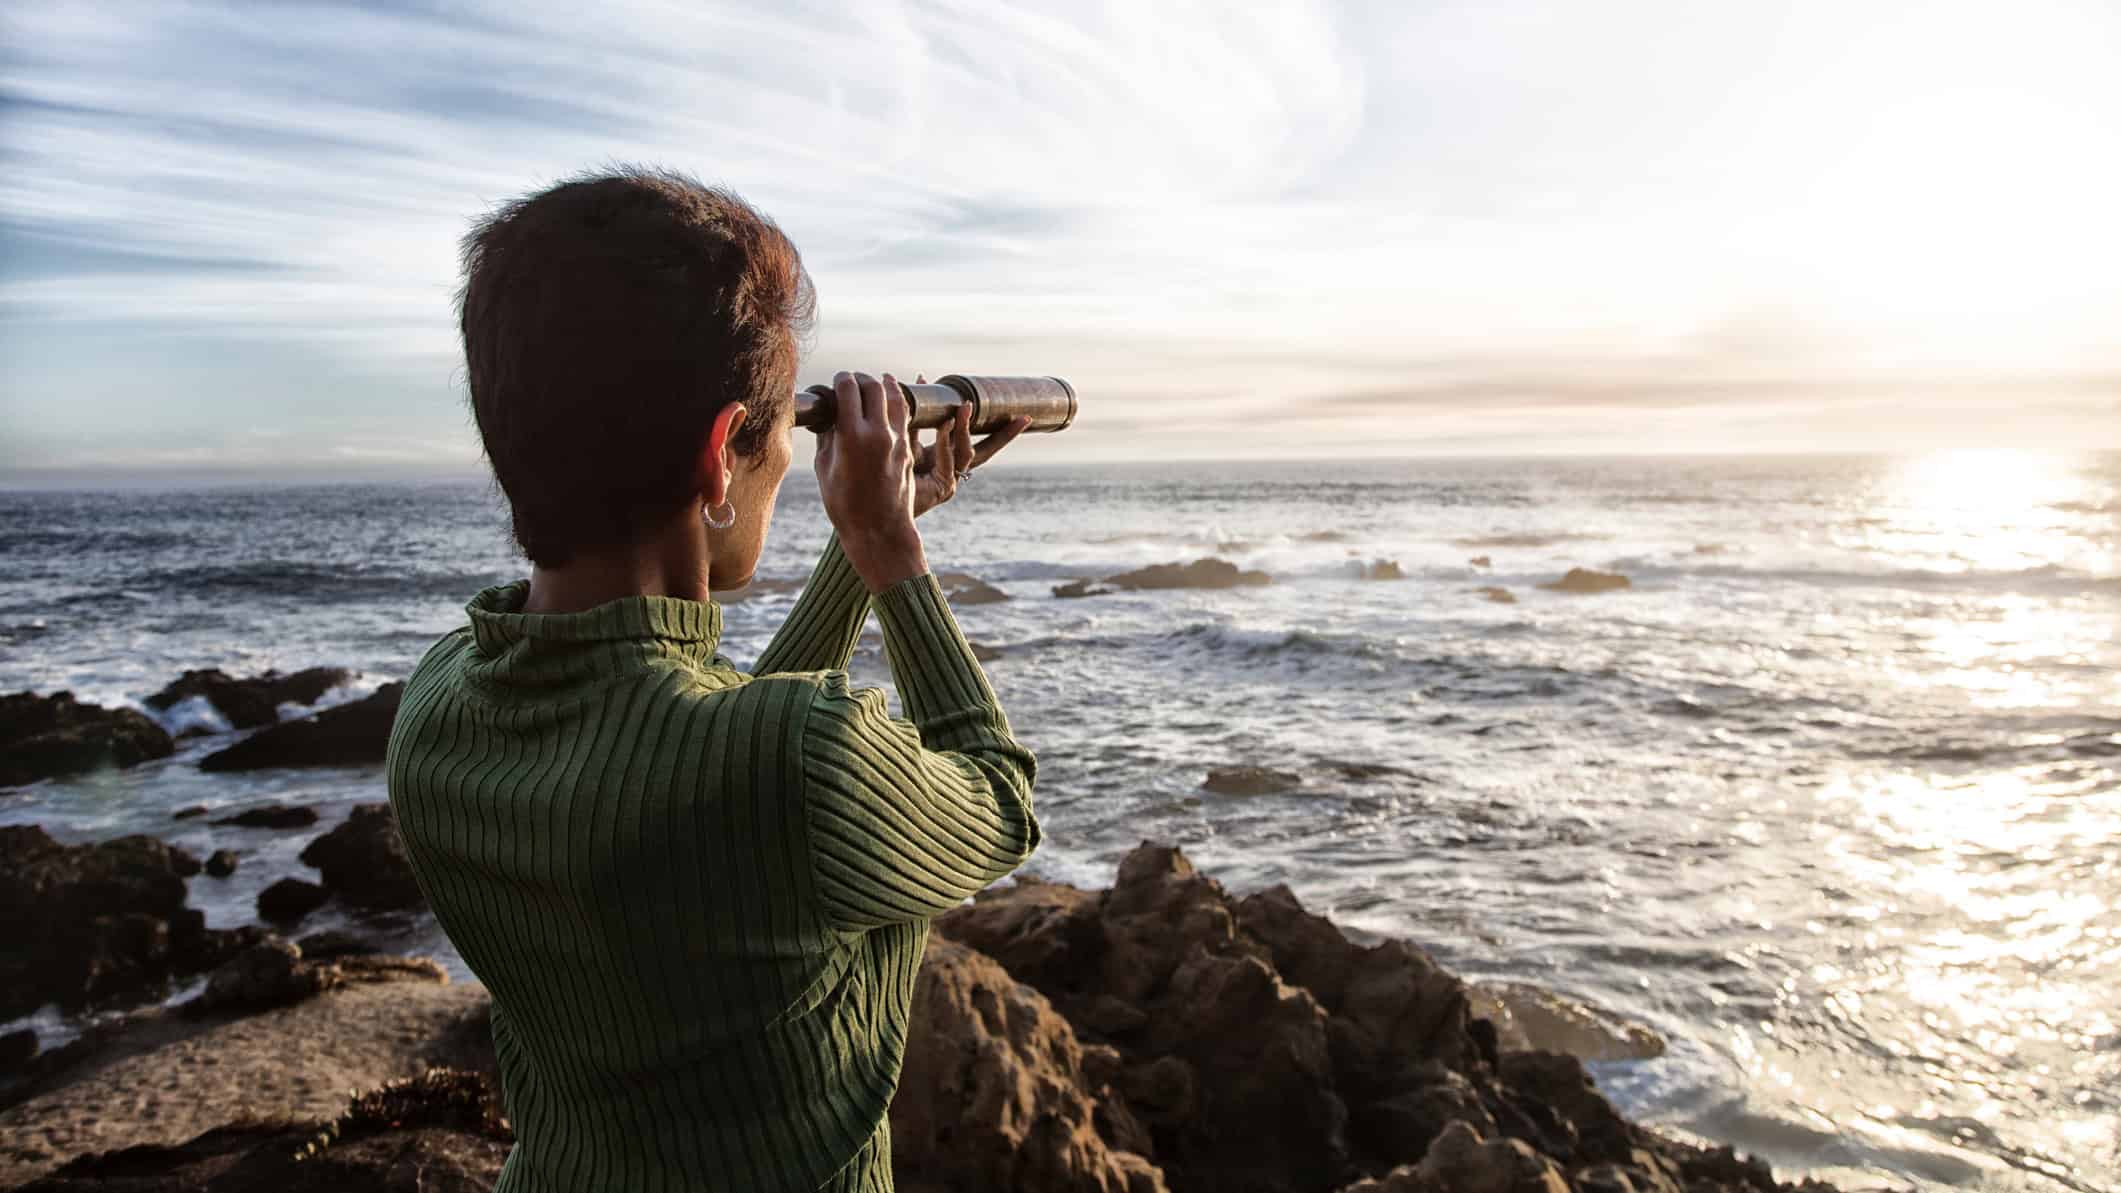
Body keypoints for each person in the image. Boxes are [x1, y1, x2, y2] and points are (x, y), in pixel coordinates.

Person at [385, 167, 1042, 1192]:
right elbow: (999, 800)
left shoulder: (435, 708)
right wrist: (888, 551)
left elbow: (714, 768)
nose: (791, 459)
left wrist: (853, 558)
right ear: (718, 455)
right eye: (782, 433)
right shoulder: (789, 758)